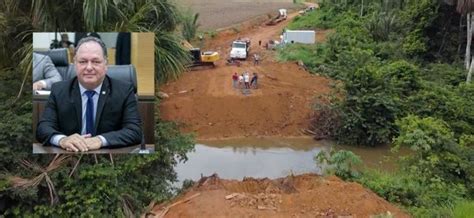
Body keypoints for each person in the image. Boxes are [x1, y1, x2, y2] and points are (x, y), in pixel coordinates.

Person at [36, 36, 142, 152]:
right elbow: (43, 129)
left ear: (106, 64)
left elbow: (135, 131)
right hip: (70, 155)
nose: (89, 67)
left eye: (96, 62)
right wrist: (62, 140)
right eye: (83, 62)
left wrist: (100, 140)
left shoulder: (124, 90)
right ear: (75, 64)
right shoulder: (59, 90)